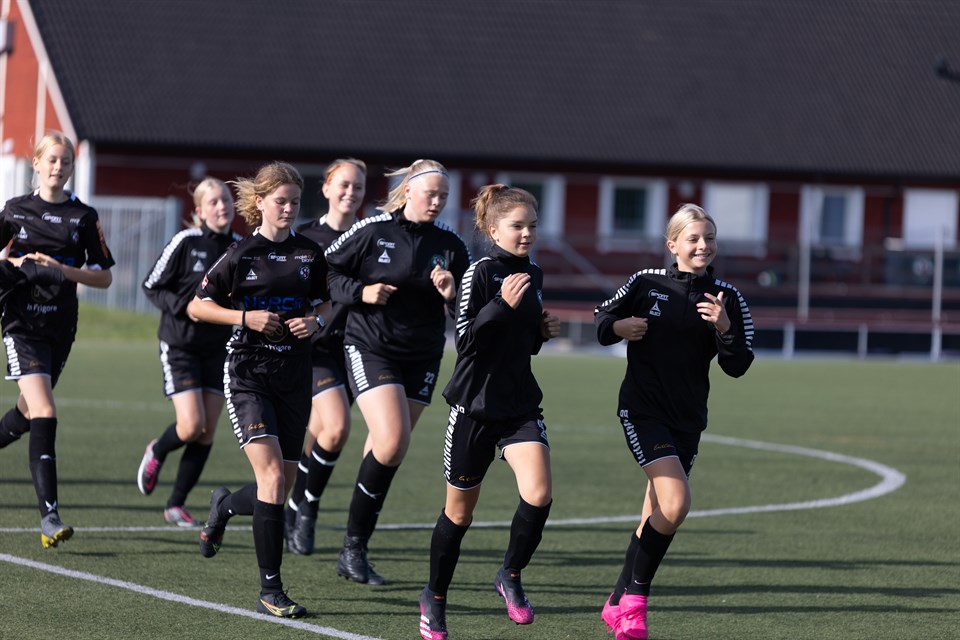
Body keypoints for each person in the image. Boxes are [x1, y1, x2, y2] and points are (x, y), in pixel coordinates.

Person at [593, 204, 754, 640]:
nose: (703, 246)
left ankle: (615, 602)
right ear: (672, 245)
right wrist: (620, 327)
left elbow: (738, 365)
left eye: (709, 238)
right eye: (693, 238)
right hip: (643, 411)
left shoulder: (727, 297)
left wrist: (724, 327)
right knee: (677, 503)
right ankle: (635, 604)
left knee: (657, 511)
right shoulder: (646, 283)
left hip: (688, 420)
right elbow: (602, 318)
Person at [186, 161, 331, 618]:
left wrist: (316, 321)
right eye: (280, 201)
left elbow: (325, 303)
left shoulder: (311, 254)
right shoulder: (241, 253)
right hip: (249, 374)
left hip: (295, 377)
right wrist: (245, 318)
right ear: (261, 202)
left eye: (295, 202)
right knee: (271, 479)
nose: (288, 209)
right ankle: (271, 590)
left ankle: (224, 507)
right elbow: (197, 306)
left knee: (279, 486)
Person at [418, 185, 561, 640]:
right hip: (474, 407)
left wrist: (542, 331)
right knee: (459, 515)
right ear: (493, 229)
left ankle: (510, 574)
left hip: (519, 404)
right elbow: (466, 342)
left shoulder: (534, 273)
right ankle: (434, 596)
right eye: (517, 226)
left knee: (539, 494)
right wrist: (502, 304)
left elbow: (523, 342)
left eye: (532, 225)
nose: (527, 233)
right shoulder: (479, 273)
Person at [324, 158, 470, 585]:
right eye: (431, 194)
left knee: (388, 450)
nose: (437, 202)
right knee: (392, 443)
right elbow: (324, 270)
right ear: (408, 191)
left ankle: (354, 548)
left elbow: (468, 308)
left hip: (423, 356)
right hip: (371, 348)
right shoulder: (372, 230)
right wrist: (361, 291)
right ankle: (352, 546)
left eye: (444, 196)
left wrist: (451, 294)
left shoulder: (451, 244)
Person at [0, 132, 115, 547]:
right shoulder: (15, 210)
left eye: (65, 161)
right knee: (45, 410)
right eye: (51, 159)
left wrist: (61, 271)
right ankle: (49, 516)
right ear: (36, 162)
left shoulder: (83, 216)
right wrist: (19, 264)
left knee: (27, 412)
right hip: (22, 324)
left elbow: (104, 277)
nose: (58, 167)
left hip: (61, 326)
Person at [136, 177, 244, 526]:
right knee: (191, 425)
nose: (222, 206)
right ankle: (158, 449)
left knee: (207, 431)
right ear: (199, 210)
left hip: (218, 349)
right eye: (213, 201)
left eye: (225, 199)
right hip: (180, 345)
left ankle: (176, 504)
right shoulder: (185, 241)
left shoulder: (241, 247)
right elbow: (151, 285)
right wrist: (185, 308)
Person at [284, 158, 367, 554]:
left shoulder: (370, 235)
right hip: (315, 350)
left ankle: (293, 509)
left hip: (359, 349)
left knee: (318, 437)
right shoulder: (304, 236)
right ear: (327, 188)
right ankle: (307, 511)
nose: (351, 192)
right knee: (336, 429)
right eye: (344, 184)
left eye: (358, 186)